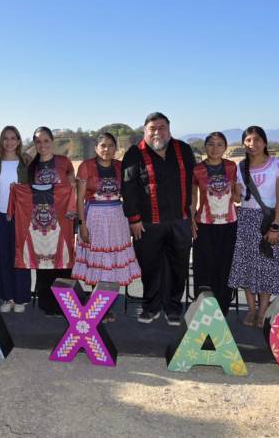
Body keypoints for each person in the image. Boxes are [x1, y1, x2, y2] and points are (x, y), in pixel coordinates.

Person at [122, 112, 196, 325]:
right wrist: (134, 219)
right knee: (150, 266)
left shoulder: (184, 149)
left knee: (179, 266)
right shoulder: (134, 153)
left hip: (179, 220)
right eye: (152, 128)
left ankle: (173, 308)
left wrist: (192, 215)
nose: (157, 132)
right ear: (145, 131)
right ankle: (151, 307)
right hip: (146, 223)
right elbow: (128, 187)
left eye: (162, 127)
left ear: (169, 128)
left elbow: (193, 183)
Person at [72, 132, 140, 322]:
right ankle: (97, 307)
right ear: (96, 148)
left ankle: (105, 306)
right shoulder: (86, 166)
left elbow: (129, 192)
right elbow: (80, 198)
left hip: (117, 218)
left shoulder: (120, 166)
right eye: (102, 145)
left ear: (116, 148)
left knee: (112, 263)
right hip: (94, 216)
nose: (106, 149)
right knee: (98, 260)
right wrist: (81, 225)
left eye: (110, 145)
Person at [227, 126, 279, 327]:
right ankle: (251, 310)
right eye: (248, 140)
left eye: (256, 140)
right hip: (246, 219)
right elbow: (238, 199)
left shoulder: (277, 165)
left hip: (269, 220)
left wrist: (275, 226)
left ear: (264, 142)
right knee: (248, 266)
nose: (252, 144)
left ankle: (262, 311)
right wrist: (234, 191)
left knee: (267, 267)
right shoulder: (240, 167)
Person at [23, 126, 76, 316]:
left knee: (63, 261)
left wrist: (73, 209)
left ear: (52, 141)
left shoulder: (63, 161)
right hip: (41, 221)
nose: (42, 144)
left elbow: (73, 186)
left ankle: (67, 304)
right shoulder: (31, 166)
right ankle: (47, 304)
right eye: (38, 141)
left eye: (46, 140)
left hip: (62, 220)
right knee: (44, 263)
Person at [190, 132, 238, 314]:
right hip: (204, 224)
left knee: (225, 266)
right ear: (205, 147)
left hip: (229, 224)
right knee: (204, 267)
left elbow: (236, 195)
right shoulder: (197, 169)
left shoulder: (232, 166)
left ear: (225, 147)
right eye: (211, 144)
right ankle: (203, 310)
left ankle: (222, 308)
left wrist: (239, 192)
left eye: (219, 144)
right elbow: (193, 197)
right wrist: (191, 219)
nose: (215, 148)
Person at [0, 125, 31, 313]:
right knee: (2, 257)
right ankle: (8, 297)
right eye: (5, 138)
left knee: (20, 257)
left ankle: (21, 298)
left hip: (20, 217)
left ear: (19, 141)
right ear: (1, 141)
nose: (9, 142)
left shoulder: (25, 162)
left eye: (13, 138)